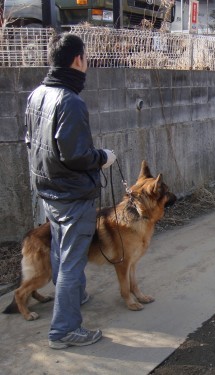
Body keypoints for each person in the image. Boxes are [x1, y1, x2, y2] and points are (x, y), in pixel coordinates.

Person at [24, 33, 116, 349]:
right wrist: (104, 157)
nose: (87, 64)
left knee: (60, 250)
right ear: (78, 60)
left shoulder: (37, 94)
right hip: (72, 195)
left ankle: (75, 297)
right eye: (86, 58)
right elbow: (77, 155)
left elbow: (31, 142)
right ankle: (64, 330)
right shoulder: (70, 101)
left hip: (48, 190)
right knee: (73, 260)